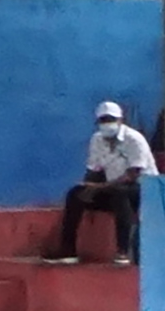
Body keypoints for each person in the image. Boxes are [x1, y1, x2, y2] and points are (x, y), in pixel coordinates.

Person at [43, 100, 154, 264]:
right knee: (75, 194)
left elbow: (133, 175)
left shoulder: (134, 140)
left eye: (111, 119)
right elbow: (94, 170)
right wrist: (87, 187)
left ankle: (123, 251)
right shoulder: (97, 140)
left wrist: (99, 187)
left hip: (143, 191)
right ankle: (68, 250)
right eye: (103, 120)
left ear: (120, 120)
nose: (107, 124)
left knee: (120, 193)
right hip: (112, 187)